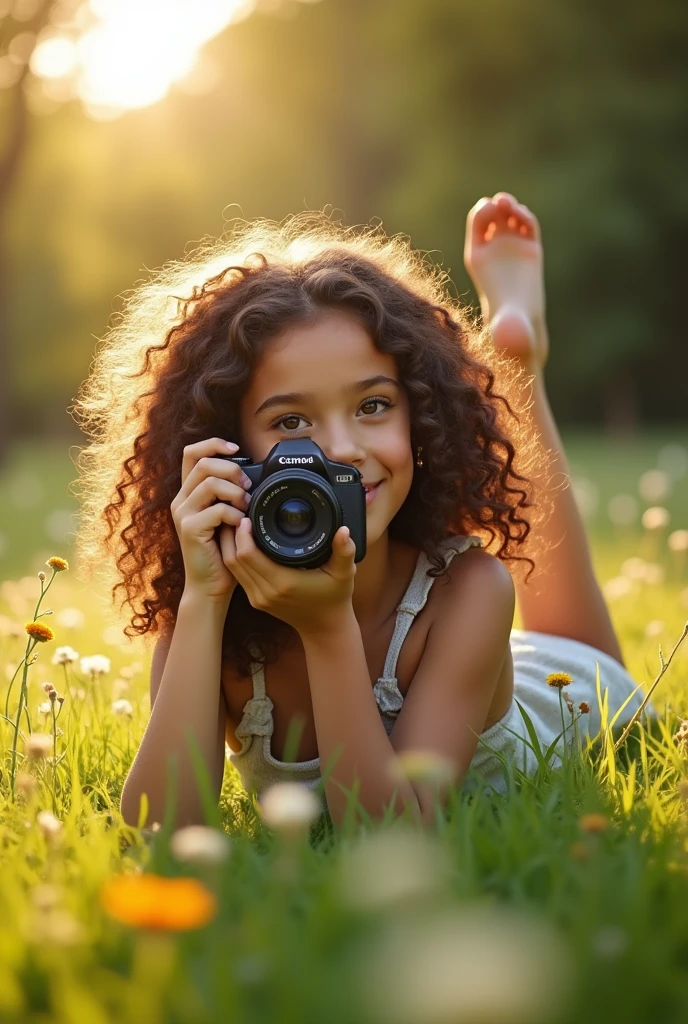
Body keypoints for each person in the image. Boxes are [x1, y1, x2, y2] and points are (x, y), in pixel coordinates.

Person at [72, 192, 655, 831]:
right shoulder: (212, 610)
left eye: (373, 406)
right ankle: (515, 360)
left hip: (576, 704)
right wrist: (202, 605)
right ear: (230, 451)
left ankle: (518, 365)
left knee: (586, 654)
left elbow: (393, 830)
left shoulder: (468, 590)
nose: (343, 450)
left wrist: (328, 632)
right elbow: (159, 826)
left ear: (423, 416)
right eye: (292, 421)